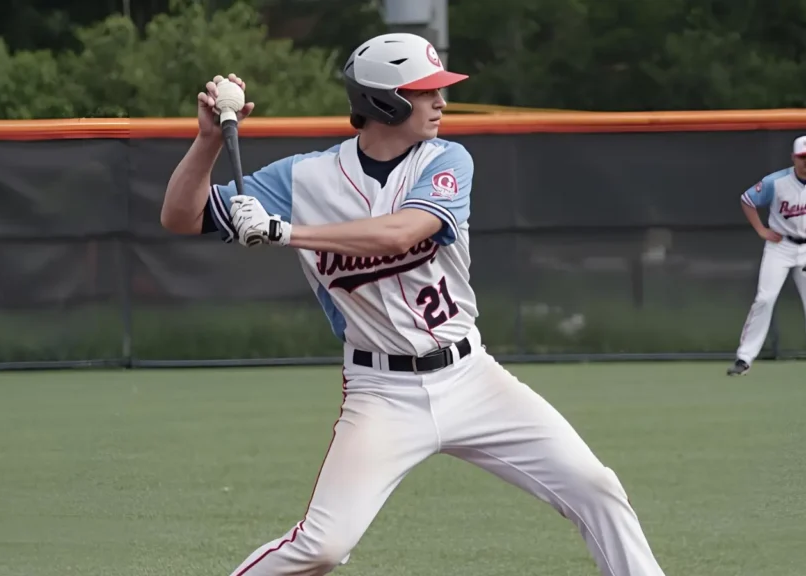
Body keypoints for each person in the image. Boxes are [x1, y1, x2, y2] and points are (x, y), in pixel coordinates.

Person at [160, 33, 667, 576]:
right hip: (381, 393)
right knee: (322, 547)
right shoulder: (303, 179)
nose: (442, 102)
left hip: (471, 378)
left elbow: (401, 233)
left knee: (596, 487)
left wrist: (284, 232)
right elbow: (180, 218)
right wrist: (208, 142)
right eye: (426, 92)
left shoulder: (447, 158)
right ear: (386, 102)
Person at [727, 135, 806, 376]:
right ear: (793, 158)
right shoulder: (776, 182)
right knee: (764, 300)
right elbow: (747, 199)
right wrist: (761, 230)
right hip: (780, 247)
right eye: (802, 157)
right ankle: (744, 358)